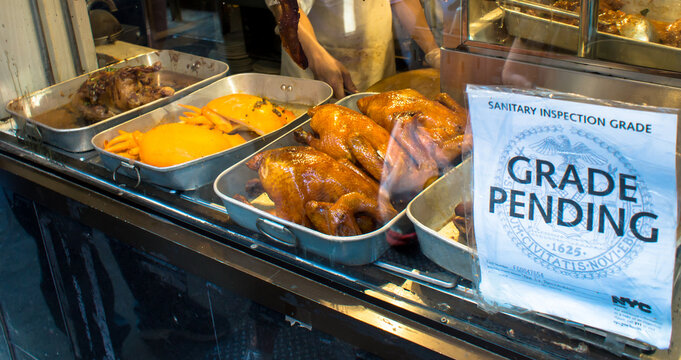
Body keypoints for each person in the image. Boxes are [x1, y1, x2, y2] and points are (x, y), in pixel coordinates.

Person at [266, 0, 442, 98]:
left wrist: (432, 51)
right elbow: (283, 7)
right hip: (316, 69)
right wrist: (317, 57)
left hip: (377, 69)